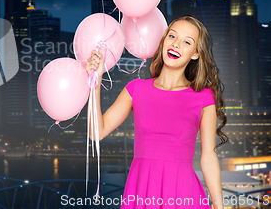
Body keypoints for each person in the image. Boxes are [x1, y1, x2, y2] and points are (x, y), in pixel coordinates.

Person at [85, 15, 228, 209]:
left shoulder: (203, 97)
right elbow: (96, 132)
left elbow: (208, 158)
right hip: (141, 191)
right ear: (163, 42)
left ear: (195, 54)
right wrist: (96, 80)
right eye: (172, 36)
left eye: (187, 42)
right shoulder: (136, 89)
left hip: (183, 193)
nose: (176, 44)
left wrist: (220, 207)